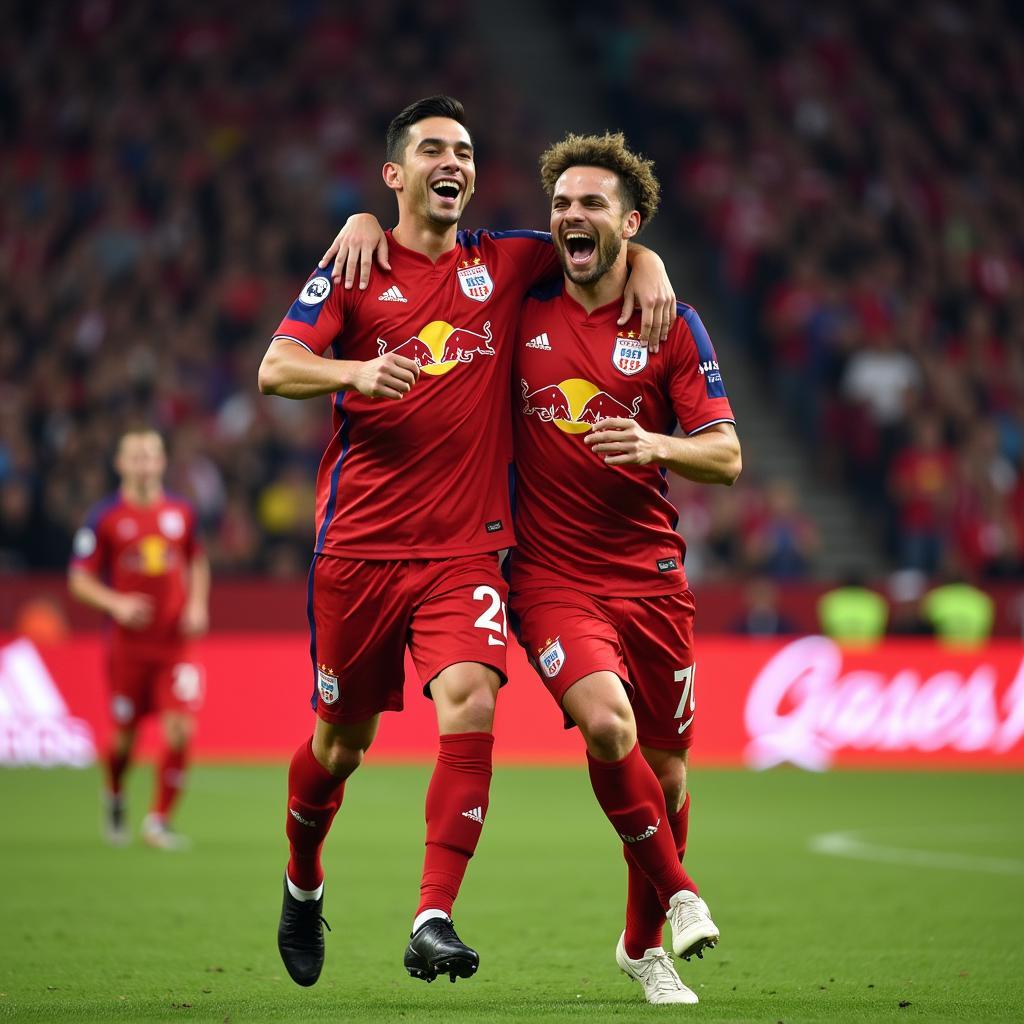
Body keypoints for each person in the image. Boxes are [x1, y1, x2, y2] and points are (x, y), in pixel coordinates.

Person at [258, 95, 675, 989]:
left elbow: (598, 240)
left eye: (467, 151)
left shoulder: (507, 263)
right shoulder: (355, 268)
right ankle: (302, 877)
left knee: (473, 703)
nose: (456, 162)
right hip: (360, 553)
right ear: (396, 173)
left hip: (465, 553)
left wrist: (649, 263)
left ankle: (433, 914)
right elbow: (276, 366)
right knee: (339, 747)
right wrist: (357, 369)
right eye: (435, 150)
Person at [507, 133, 741, 1005]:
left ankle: (643, 948)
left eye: (593, 203)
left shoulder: (668, 322)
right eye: (561, 202)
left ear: (630, 222)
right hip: (549, 576)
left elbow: (726, 457)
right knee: (609, 729)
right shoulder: (520, 303)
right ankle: (681, 894)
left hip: (649, 577)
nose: (572, 215)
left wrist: (654, 442)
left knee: (669, 772)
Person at [68, 429, 209, 850]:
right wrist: (116, 604)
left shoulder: (181, 512)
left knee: (181, 731)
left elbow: (196, 560)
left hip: (174, 645)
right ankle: (114, 793)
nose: (145, 464)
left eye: (151, 456)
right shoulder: (105, 517)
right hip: (127, 647)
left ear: (162, 462)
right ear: (121, 464)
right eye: (136, 457)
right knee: (124, 738)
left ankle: (158, 821)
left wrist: (198, 605)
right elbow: (79, 579)